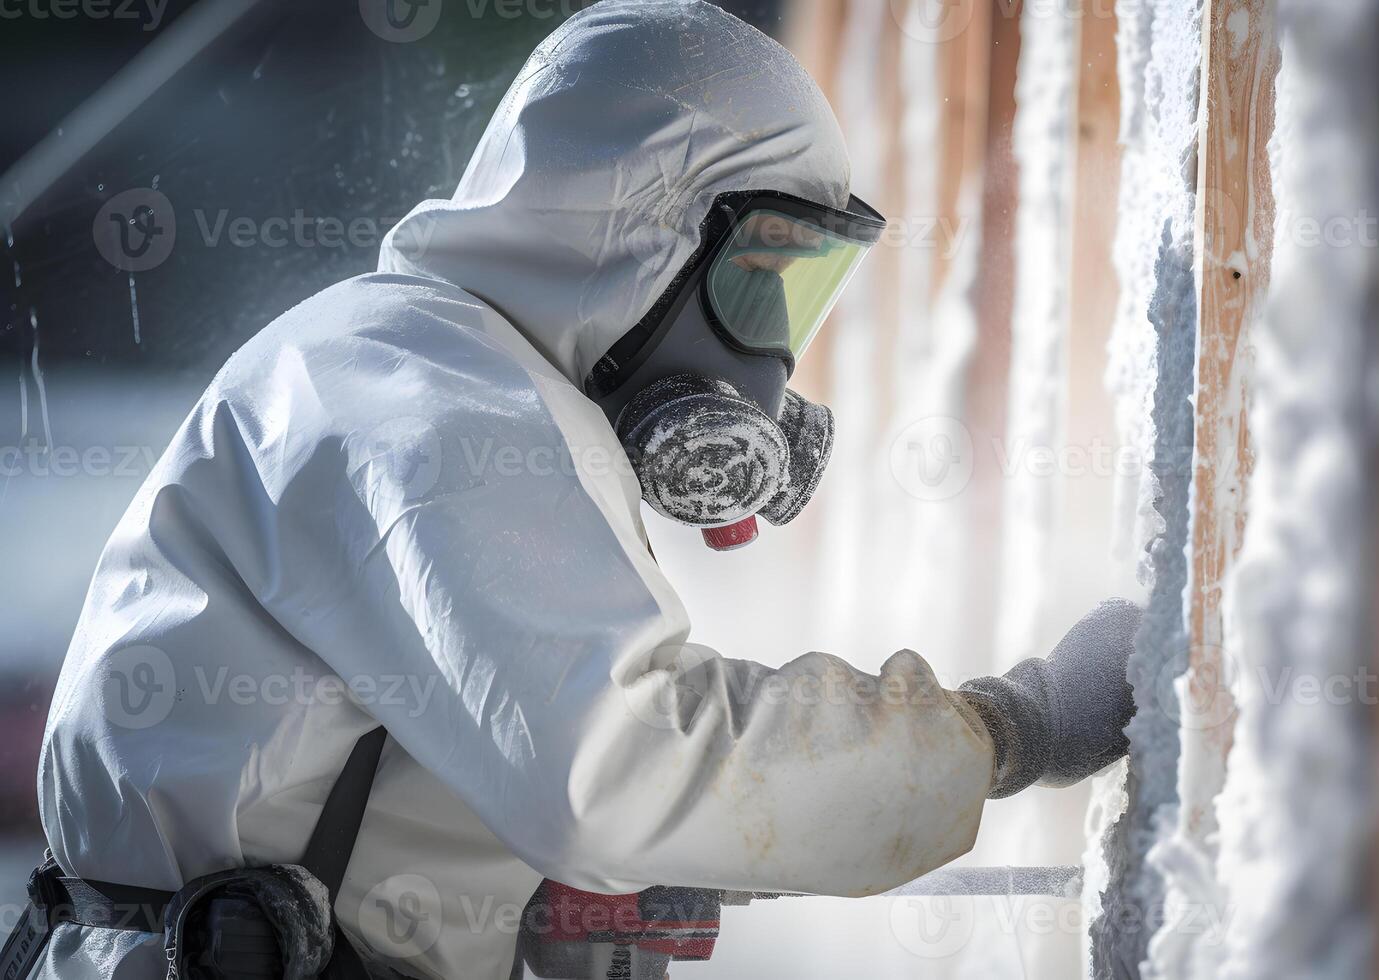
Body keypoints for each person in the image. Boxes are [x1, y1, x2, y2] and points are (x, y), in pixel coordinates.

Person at [15, 2, 1141, 977]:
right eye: (762, 281)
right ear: (637, 232)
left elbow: (406, 755)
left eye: (810, 295)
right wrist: (1014, 725)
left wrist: (510, 877)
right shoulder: (430, 399)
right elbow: (620, 761)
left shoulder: (427, 367)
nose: (773, 364)